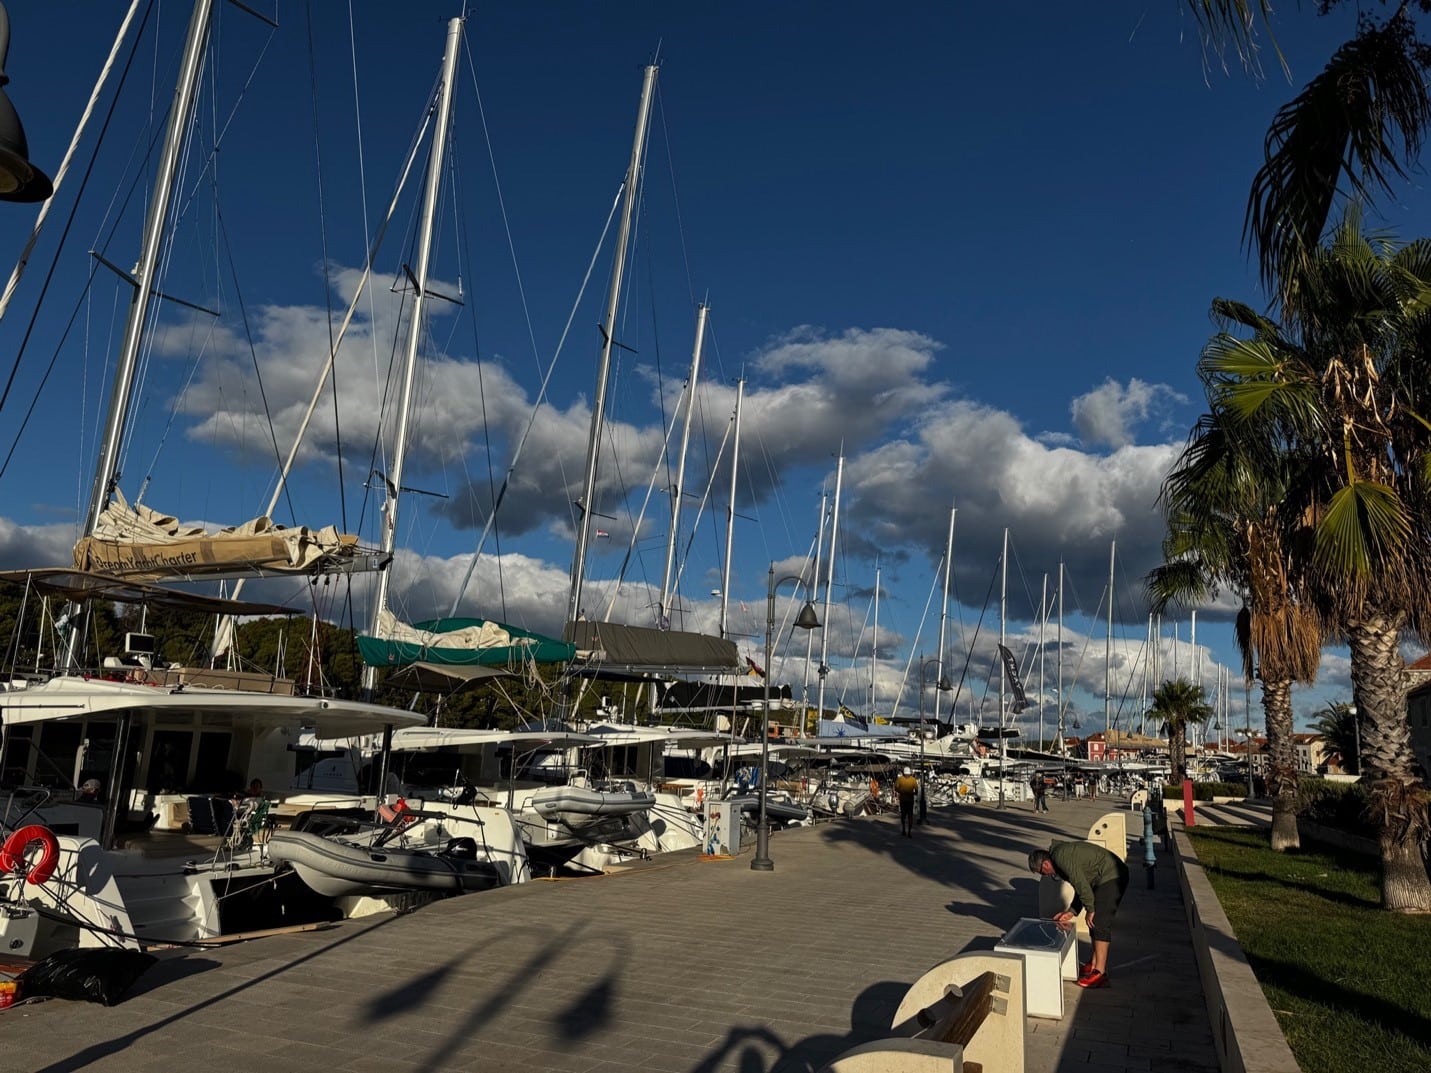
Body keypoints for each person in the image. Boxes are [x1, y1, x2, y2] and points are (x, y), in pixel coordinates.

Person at [1028, 841, 1129, 988]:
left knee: (1100, 922)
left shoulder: (1061, 857)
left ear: (1045, 865)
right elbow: (1080, 886)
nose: (1046, 875)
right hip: (1104, 877)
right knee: (1094, 922)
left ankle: (1100, 972)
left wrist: (1090, 909)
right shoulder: (1060, 858)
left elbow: (1081, 883)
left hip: (1113, 875)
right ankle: (1094, 963)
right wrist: (1071, 912)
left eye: (1042, 873)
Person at [893, 766, 919, 837]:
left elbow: (895, 788)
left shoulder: (900, 779)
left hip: (903, 800)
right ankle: (909, 832)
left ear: (904, 773)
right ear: (910, 773)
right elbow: (916, 790)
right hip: (910, 800)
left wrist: (901, 791)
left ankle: (904, 829)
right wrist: (913, 793)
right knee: (910, 816)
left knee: (903, 815)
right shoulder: (913, 780)